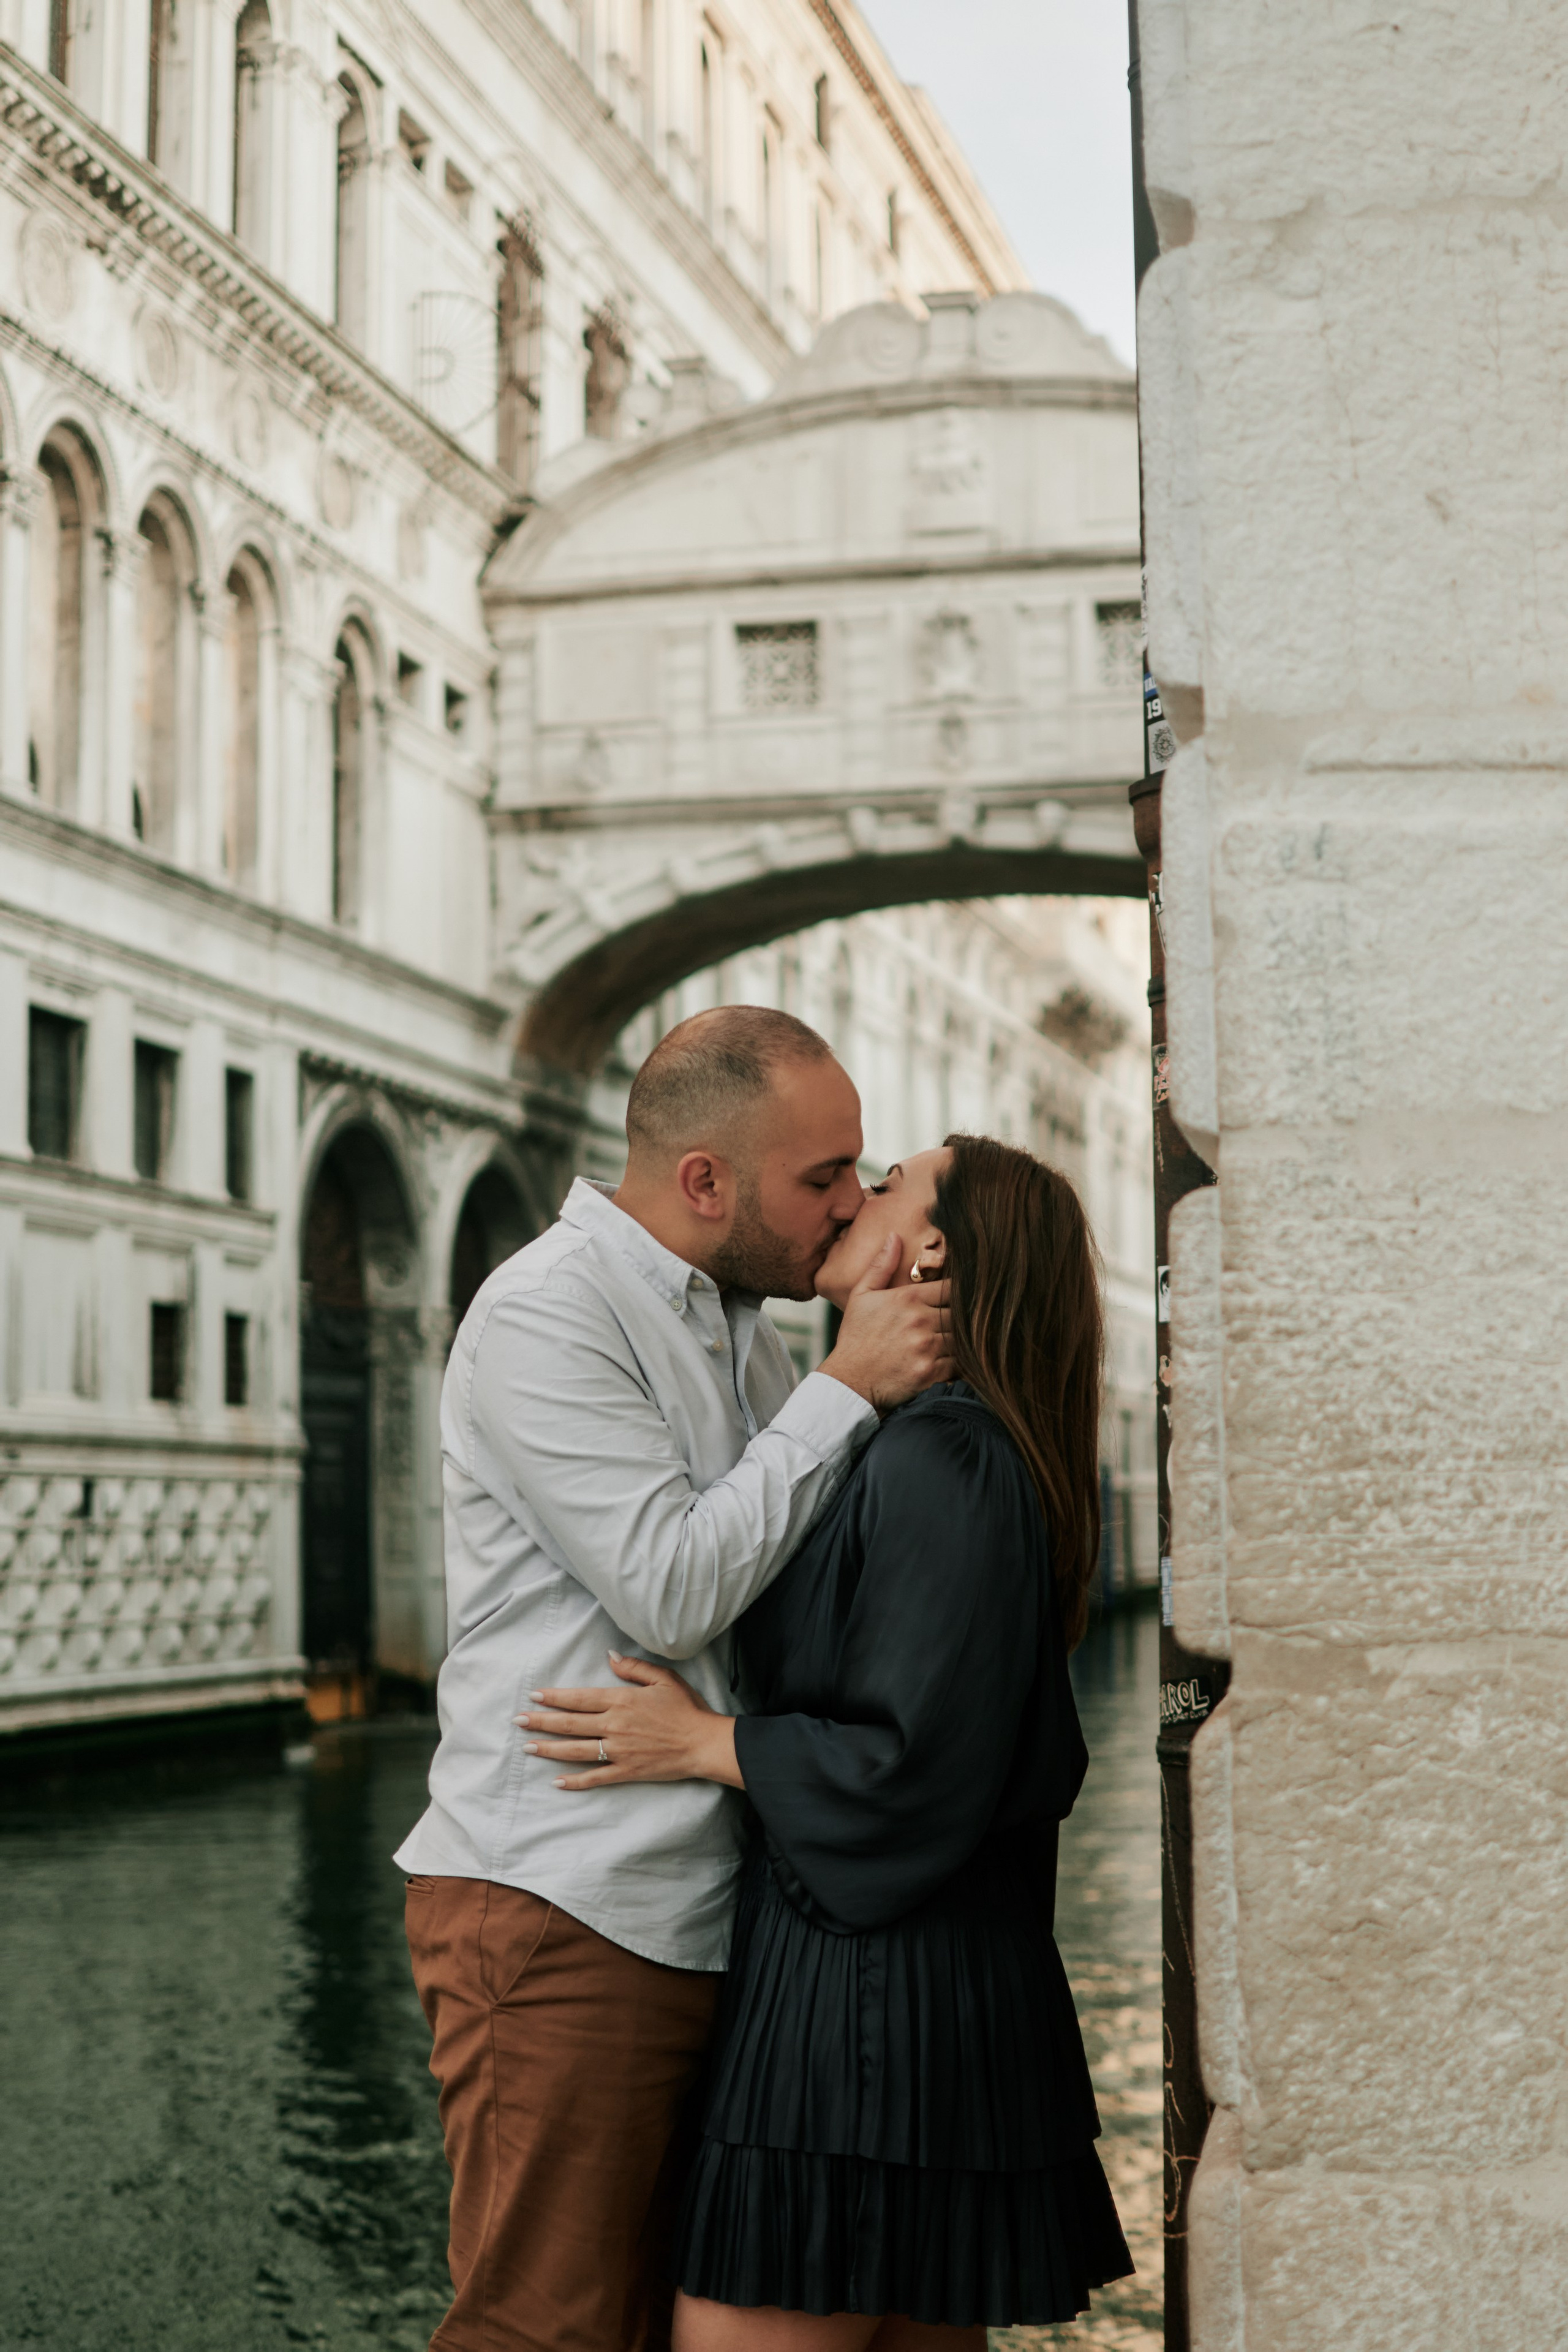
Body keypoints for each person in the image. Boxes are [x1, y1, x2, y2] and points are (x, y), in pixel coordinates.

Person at [394, 1007, 952, 2352]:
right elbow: (672, 1583)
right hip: (562, 1895)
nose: (842, 1207)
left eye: (855, 1174)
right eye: (820, 1179)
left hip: (700, 1901)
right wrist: (847, 1390)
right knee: (549, 2329)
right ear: (703, 1181)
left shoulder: (737, 1325)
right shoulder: (545, 1313)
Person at [521, 1133, 1134, 2351]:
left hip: (864, 2018)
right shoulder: (937, 1441)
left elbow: (912, 1764)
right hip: (911, 2005)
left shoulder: (945, 1456)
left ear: (931, 1247)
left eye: (890, 1179)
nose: (858, 1194)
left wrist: (705, 1745)